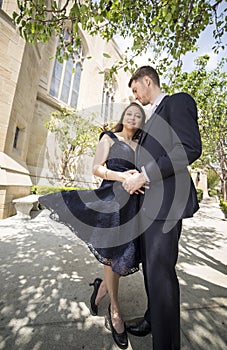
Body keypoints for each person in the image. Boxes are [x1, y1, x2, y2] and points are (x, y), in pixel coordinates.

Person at [39, 102, 146, 349]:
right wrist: (123, 176)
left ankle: (100, 289)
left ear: (141, 121)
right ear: (123, 116)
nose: (132, 117)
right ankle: (115, 312)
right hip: (110, 203)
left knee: (121, 258)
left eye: (137, 115)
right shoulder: (109, 138)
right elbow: (97, 168)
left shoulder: (142, 145)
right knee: (111, 257)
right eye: (129, 113)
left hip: (134, 208)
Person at [122, 66, 202, 350]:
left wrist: (145, 175)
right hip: (147, 205)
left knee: (161, 273)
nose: (134, 95)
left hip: (167, 204)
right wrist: (135, 175)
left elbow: (189, 148)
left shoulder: (178, 101)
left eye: (135, 89)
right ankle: (152, 319)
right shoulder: (148, 118)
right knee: (150, 271)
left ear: (147, 81)